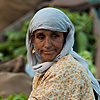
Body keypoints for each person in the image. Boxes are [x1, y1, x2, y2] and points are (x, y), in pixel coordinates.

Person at [26, 7, 100, 100]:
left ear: (65, 37)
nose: (47, 45)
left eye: (55, 36)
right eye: (41, 37)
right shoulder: (46, 68)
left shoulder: (67, 68)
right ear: (33, 39)